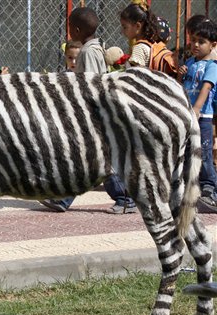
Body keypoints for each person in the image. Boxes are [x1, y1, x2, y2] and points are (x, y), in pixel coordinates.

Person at [39, 7, 137, 215]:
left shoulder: (89, 51)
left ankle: (125, 197)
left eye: (70, 29)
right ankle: (63, 198)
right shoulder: (94, 47)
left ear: (75, 29)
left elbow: (93, 84)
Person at [181, 19, 217, 213]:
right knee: (189, 151)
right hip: (188, 115)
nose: (195, 44)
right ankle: (191, 187)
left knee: (204, 154)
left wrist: (197, 108)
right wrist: (182, 73)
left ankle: (211, 189)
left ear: (213, 45)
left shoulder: (213, 65)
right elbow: (184, 85)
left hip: (202, 117)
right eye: (193, 40)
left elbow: (206, 87)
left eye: (201, 41)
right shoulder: (190, 62)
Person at [119, 1, 159, 68]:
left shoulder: (139, 48)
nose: (122, 31)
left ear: (138, 26)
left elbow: (136, 76)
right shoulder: (152, 44)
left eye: (125, 27)